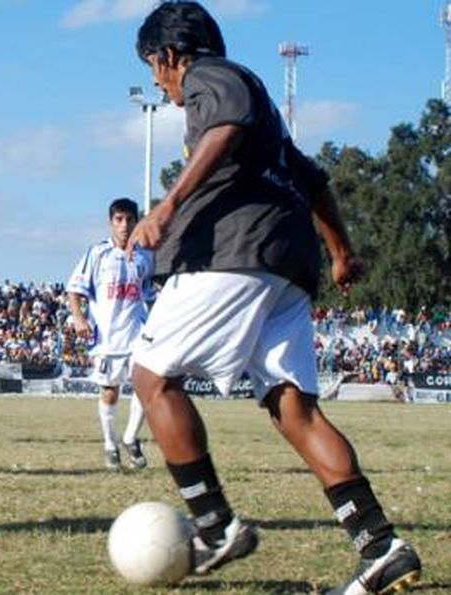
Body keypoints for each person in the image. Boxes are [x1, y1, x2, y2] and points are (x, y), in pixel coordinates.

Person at [127, 3, 421, 593]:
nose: (160, 83)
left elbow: (224, 125)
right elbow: (313, 180)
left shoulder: (213, 75)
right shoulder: (270, 122)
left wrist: (169, 204)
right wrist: (340, 251)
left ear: (168, 55)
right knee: (295, 409)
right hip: (288, 263)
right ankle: (381, 546)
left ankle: (214, 526)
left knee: (151, 378)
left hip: (234, 253)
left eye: (154, 68)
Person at [67, 198, 153, 471]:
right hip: (107, 336)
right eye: (119, 219)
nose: (124, 225)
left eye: (129, 219)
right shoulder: (97, 254)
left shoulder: (145, 256)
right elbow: (74, 290)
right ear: (111, 222)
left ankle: (130, 437)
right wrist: (79, 318)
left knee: (146, 384)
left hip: (137, 332)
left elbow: (150, 292)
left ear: (136, 221)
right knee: (110, 392)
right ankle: (110, 444)